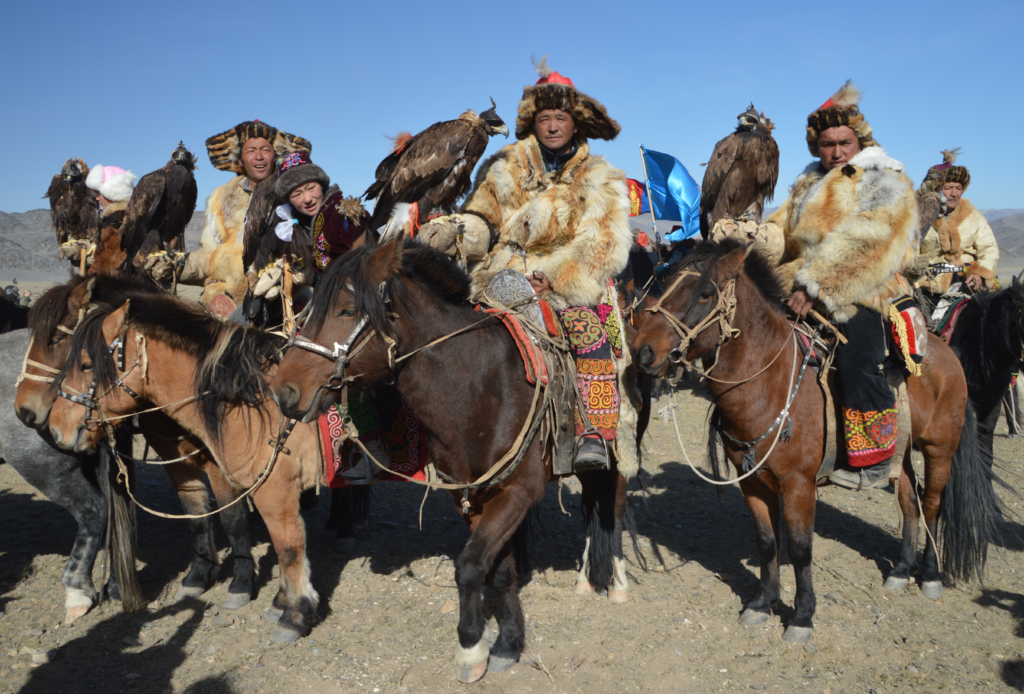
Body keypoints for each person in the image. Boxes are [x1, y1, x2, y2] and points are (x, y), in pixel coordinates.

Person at [421, 58, 635, 469]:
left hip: (570, 282)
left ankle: (594, 430)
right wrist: (456, 230)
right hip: (498, 278)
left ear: (576, 124)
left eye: (561, 117)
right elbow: (485, 219)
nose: (552, 126)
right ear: (532, 123)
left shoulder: (600, 177)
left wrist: (552, 278)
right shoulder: (504, 166)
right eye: (544, 118)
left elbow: (602, 245)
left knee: (589, 333)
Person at [772, 81, 920, 490]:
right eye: (826, 144)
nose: (836, 152)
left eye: (844, 142)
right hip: (800, 283)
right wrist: (747, 243)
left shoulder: (882, 177)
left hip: (863, 285)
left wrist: (815, 285)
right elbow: (782, 231)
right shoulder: (807, 182)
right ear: (815, 147)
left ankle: (872, 457)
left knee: (858, 352)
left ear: (860, 141)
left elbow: (869, 240)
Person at [177, 120, 311, 314]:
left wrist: (292, 270)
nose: (259, 156)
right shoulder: (220, 199)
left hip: (284, 301)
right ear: (240, 161)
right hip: (229, 301)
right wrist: (178, 265)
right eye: (250, 151)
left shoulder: (296, 194)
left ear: (275, 156)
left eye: (265, 149)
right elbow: (210, 256)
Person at [914, 149, 999, 300]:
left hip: (968, 280)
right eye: (948, 188)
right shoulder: (918, 218)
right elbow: (907, 251)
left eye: (958, 188)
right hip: (929, 283)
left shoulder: (975, 217)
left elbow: (989, 249)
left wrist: (979, 273)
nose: (954, 193)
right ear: (937, 189)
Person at [83, 164, 137, 272]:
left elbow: (109, 264)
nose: (97, 198)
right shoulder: (130, 217)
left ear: (112, 193)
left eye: (99, 193)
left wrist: (86, 283)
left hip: (120, 285)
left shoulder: (115, 220)